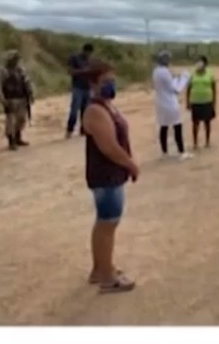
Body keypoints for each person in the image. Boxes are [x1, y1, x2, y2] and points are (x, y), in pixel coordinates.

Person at [82, 59, 139, 293]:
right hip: (106, 175)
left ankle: (101, 269)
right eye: (106, 81)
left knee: (106, 222)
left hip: (111, 174)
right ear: (93, 84)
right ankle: (107, 277)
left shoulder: (105, 106)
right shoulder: (96, 110)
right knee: (107, 224)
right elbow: (109, 146)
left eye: (112, 80)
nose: (111, 84)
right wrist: (130, 164)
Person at [152, 51, 192, 160]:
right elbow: (176, 89)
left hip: (160, 103)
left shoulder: (156, 71)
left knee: (163, 126)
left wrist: (175, 78)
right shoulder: (165, 72)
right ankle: (182, 152)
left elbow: (167, 84)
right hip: (170, 103)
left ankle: (164, 152)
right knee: (177, 126)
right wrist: (184, 78)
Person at [0, 50, 34, 151]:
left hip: (21, 98)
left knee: (21, 119)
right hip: (10, 99)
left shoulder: (20, 71)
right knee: (10, 121)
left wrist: (30, 94)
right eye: (14, 59)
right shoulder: (3, 72)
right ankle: (11, 140)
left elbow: (27, 82)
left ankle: (17, 136)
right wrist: (2, 100)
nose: (16, 61)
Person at [186, 55, 217, 149]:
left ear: (205, 64)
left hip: (207, 101)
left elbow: (214, 88)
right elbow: (188, 89)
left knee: (207, 122)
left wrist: (214, 101)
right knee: (195, 123)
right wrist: (188, 101)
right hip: (196, 102)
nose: (198, 64)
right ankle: (195, 143)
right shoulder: (192, 74)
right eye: (197, 62)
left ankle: (207, 142)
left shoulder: (210, 74)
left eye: (200, 62)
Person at [65, 43, 95, 139]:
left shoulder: (90, 61)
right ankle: (69, 130)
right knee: (74, 110)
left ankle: (84, 130)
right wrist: (84, 71)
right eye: (88, 53)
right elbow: (70, 71)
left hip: (87, 88)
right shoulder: (75, 58)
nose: (89, 55)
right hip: (77, 87)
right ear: (84, 51)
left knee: (85, 111)